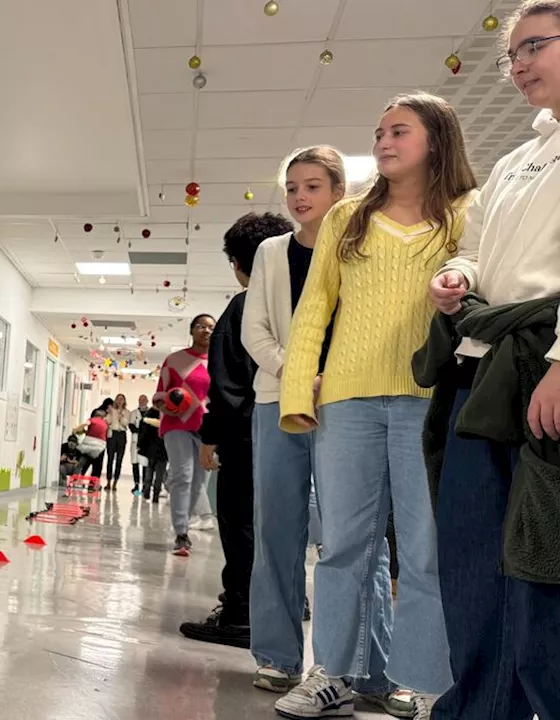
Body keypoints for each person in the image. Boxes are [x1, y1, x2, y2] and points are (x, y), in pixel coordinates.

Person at [274, 93, 477, 720]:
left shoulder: (467, 213)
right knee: (343, 547)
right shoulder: (346, 218)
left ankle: (419, 679)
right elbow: (314, 310)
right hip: (348, 401)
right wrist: (297, 391)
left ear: (437, 140)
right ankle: (331, 673)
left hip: (431, 399)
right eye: (379, 132)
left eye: (399, 131)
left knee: (424, 548)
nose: (384, 141)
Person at [423, 4, 560, 717]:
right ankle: (479, 706)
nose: (518, 66)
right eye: (512, 54)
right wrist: (460, 277)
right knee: (474, 559)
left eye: (534, 45)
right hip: (484, 368)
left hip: (545, 368)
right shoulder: (516, 160)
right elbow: (473, 248)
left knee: (541, 566)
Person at [242, 146, 345, 693]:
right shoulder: (270, 253)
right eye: (293, 188)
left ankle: (345, 662)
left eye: (313, 187)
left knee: (348, 536)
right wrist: (298, 374)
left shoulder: (357, 248)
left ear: (338, 193)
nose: (300, 197)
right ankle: (278, 655)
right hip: (275, 400)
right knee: (277, 529)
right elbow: (254, 329)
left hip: (346, 402)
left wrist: (334, 381)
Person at [181, 212, 295, 650]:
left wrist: (211, 438)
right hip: (298, 430)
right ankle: (280, 607)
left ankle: (240, 614)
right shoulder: (302, 301)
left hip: (248, 436)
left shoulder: (243, 307)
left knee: (240, 522)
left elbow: (228, 385)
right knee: (283, 526)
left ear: (239, 263)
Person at [154, 315, 214, 557]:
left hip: (207, 428)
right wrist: (164, 406)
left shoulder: (220, 361)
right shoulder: (175, 360)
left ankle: (185, 523)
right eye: (201, 326)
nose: (206, 331)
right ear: (192, 330)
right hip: (176, 424)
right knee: (182, 476)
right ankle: (181, 533)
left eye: (211, 327)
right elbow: (159, 395)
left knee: (199, 482)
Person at [136, 397, 167, 502]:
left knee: (149, 471)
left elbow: (143, 433)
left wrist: (140, 445)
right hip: (163, 449)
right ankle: (155, 496)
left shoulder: (148, 415)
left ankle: (147, 492)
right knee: (159, 474)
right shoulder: (167, 416)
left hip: (151, 449)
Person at [105, 393, 133, 490]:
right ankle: (108, 481)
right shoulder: (112, 410)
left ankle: (115, 483)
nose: (120, 401)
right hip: (112, 434)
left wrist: (120, 414)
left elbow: (125, 423)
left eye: (122, 399)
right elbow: (107, 421)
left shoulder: (127, 412)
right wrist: (110, 413)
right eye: (118, 399)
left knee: (119, 460)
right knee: (110, 459)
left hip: (121, 435)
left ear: (124, 401)